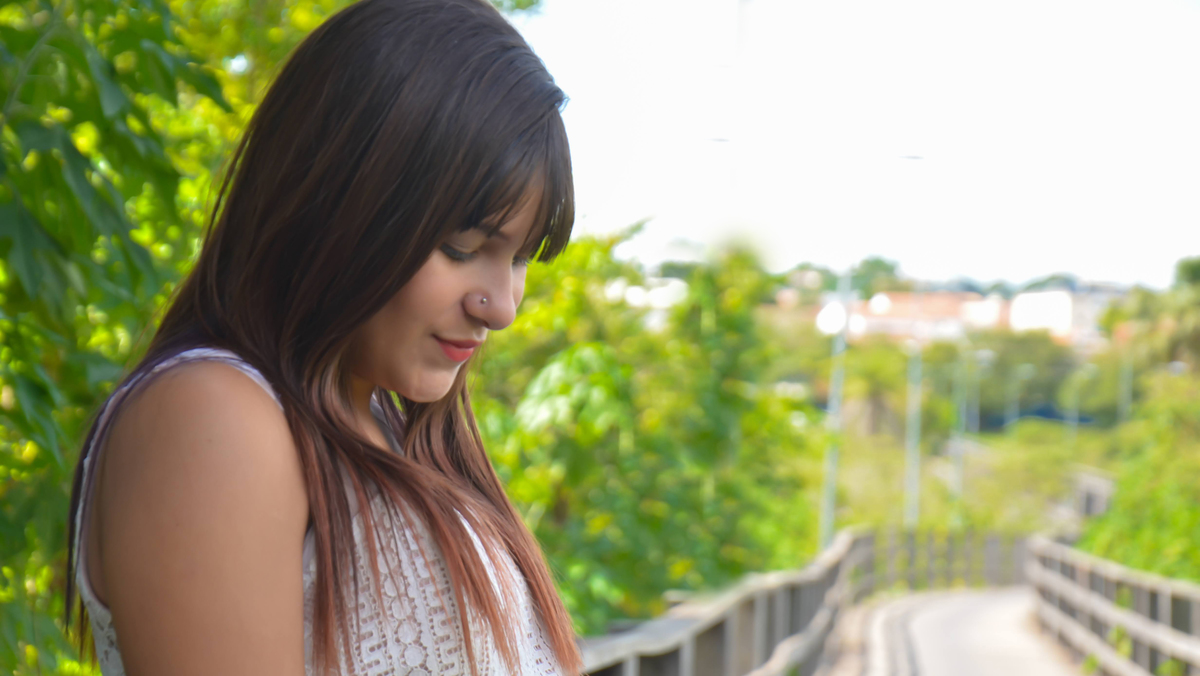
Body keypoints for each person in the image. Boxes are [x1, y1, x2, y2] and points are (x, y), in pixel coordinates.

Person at [64, 0, 581, 673]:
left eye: (518, 258)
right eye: (462, 246)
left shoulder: (393, 429)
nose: (502, 306)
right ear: (342, 203)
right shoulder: (215, 416)